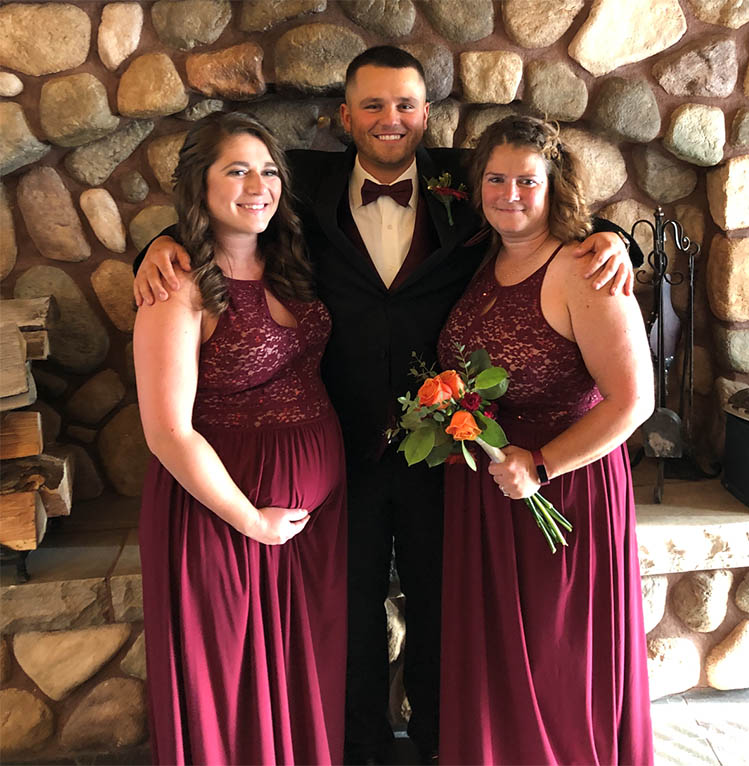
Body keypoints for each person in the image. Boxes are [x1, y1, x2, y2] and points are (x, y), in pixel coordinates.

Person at [133, 47, 642, 765]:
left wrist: (613, 240)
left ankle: (441, 742)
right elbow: (226, 206)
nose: (389, 119)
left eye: (405, 104)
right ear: (344, 117)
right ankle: (359, 746)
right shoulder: (298, 181)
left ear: (427, 114)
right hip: (345, 450)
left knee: (448, 604)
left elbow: (540, 197)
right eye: (371, 105)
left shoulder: (471, 180)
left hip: (452, 455)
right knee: (345, 610)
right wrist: (159, 245)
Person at [436, 115, 655, 765]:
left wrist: (541, 465)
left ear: (555, 187)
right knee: (500, 662)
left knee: (557, 665)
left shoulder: (584, 267)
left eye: (527, 181)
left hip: (562, 491)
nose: (509, 194)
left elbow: (634, 401)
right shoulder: (483, 254)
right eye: (496, 179)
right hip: (489, 488)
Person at [134, 112, 347, 765]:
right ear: (199, 186)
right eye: (237, 171)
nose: (258, 186)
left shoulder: (293, 259)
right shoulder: (177, 286)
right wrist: (252, 520)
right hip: (222, 518)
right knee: (232, 690)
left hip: (314, 524)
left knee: (304, 680)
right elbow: (167, 431)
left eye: (269, 170)